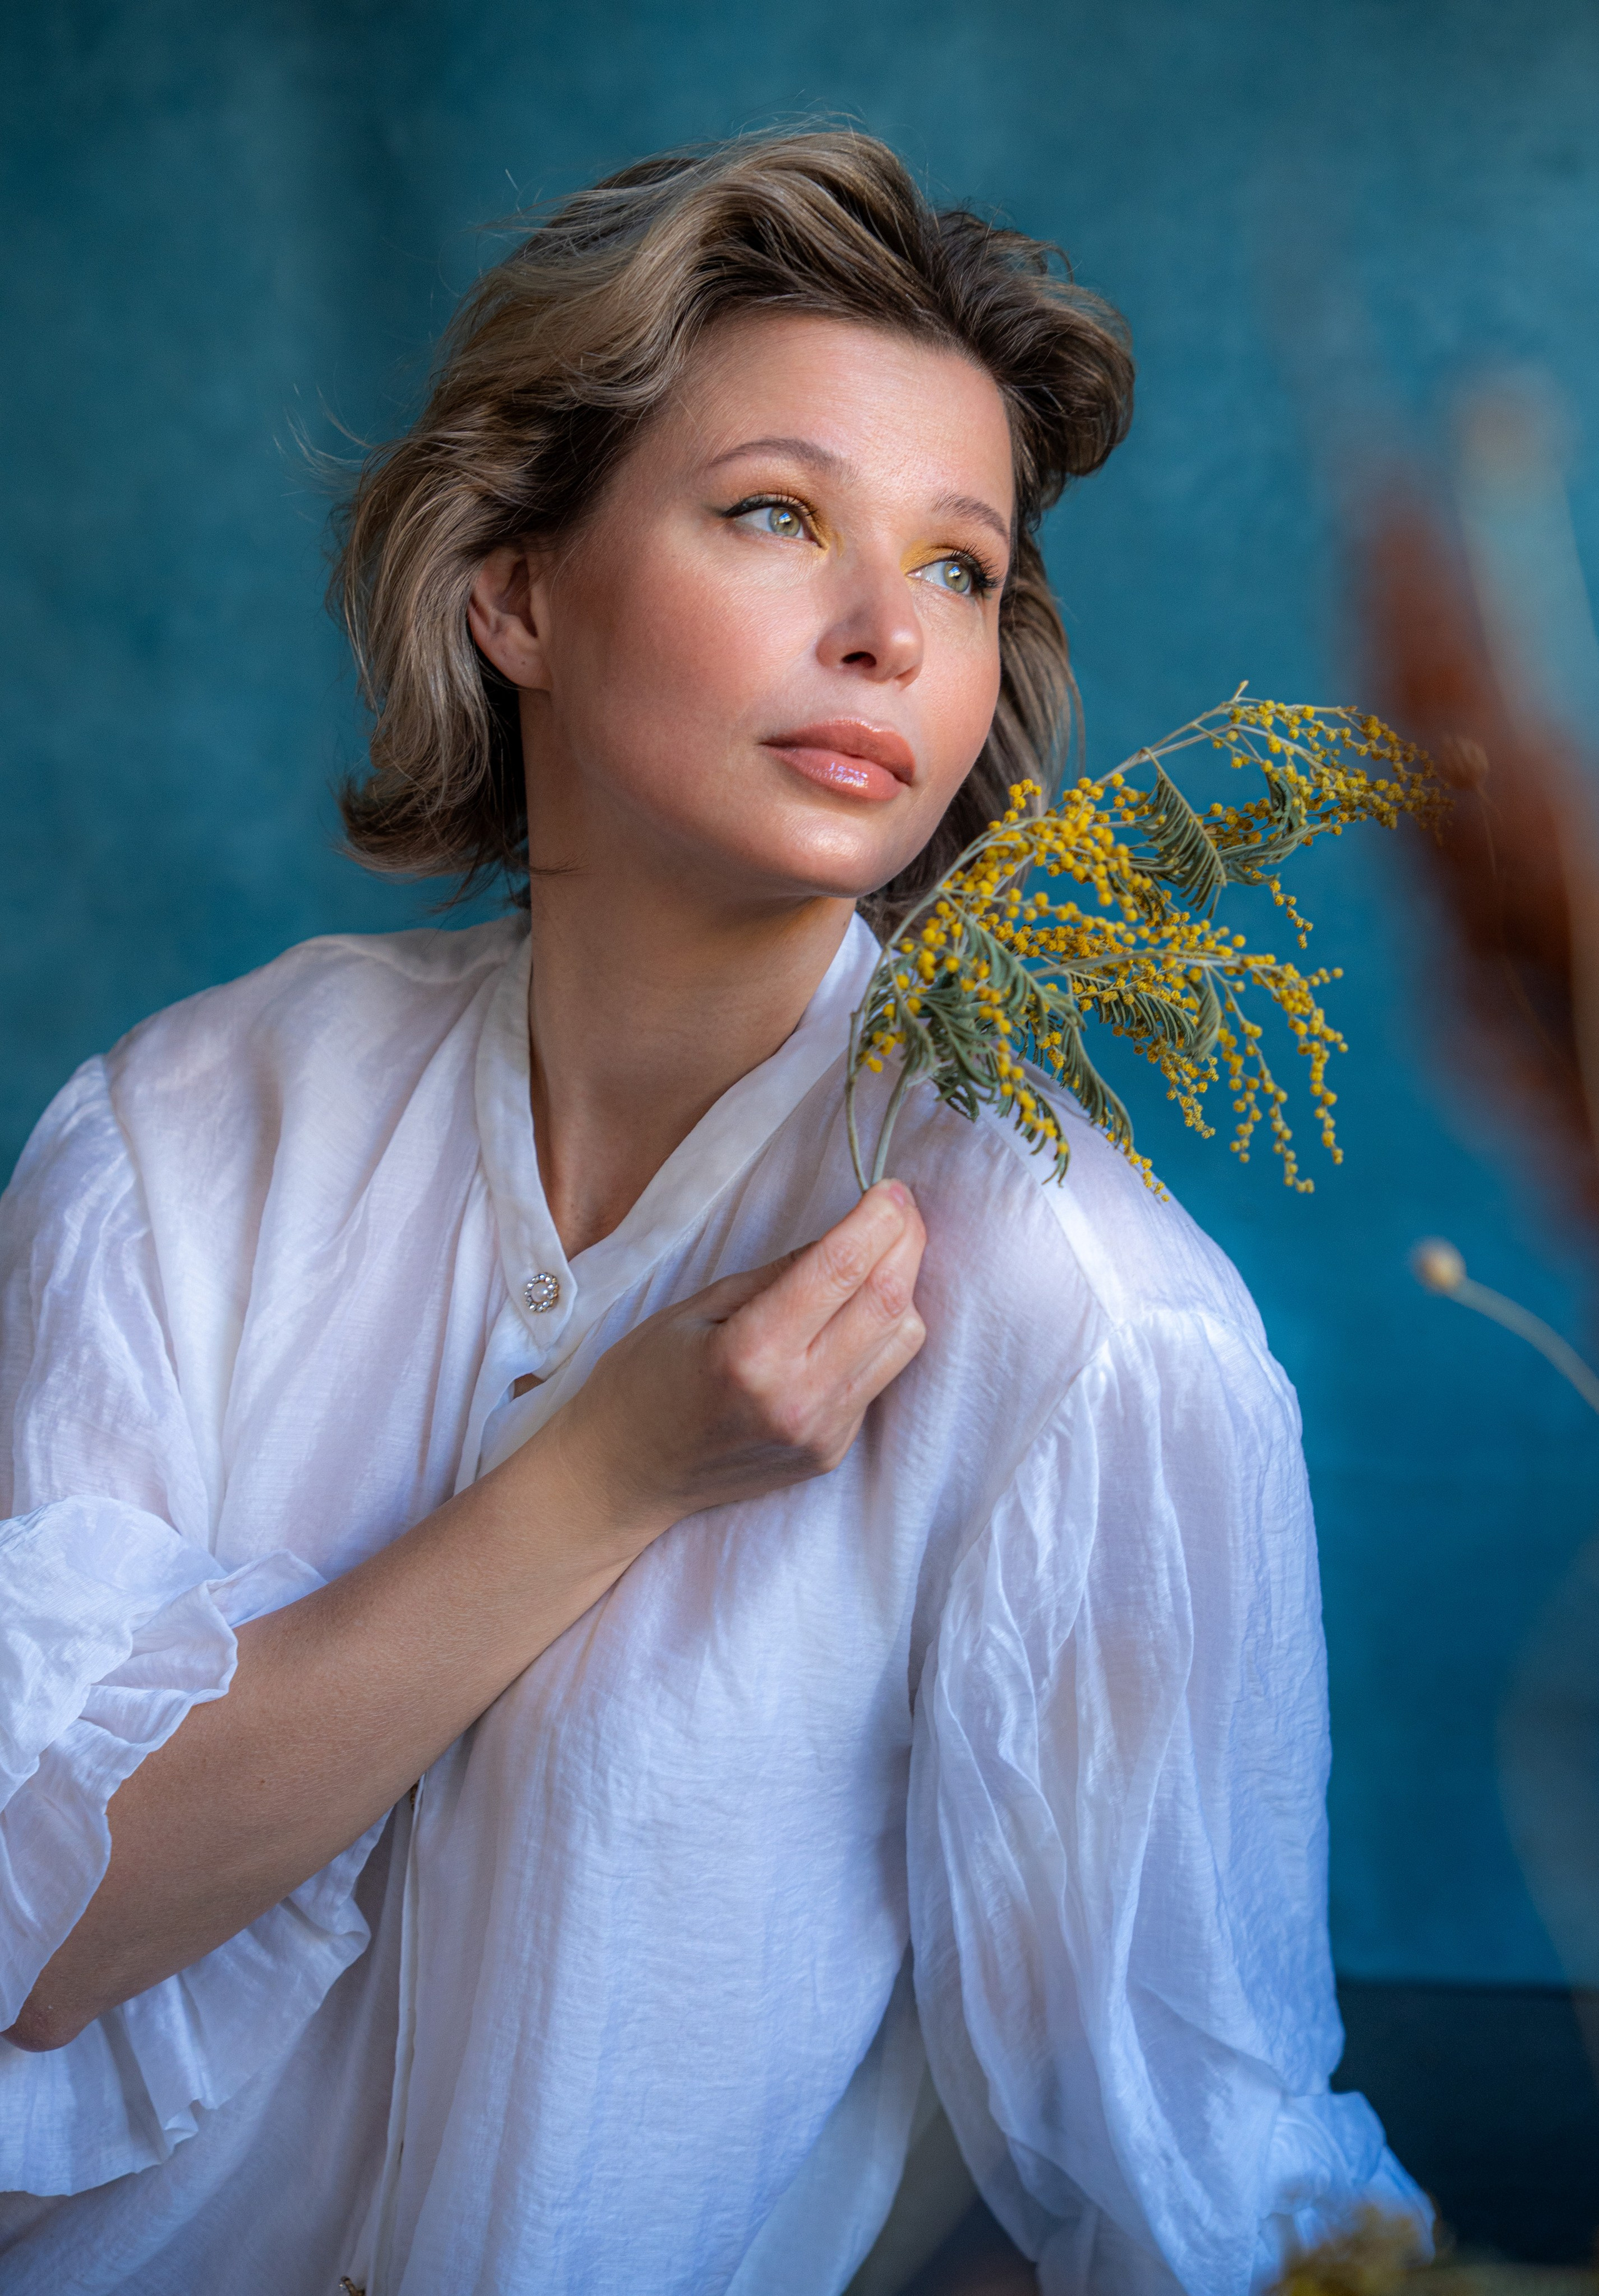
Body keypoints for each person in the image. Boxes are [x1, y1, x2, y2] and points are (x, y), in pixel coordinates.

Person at [0, 131, 1427, 2295]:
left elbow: (1195, 2171)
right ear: (517, 590)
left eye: (962, 568)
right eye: (778, 515)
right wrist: (612, 1472)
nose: (886, 636)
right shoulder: (189, 1138)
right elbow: (40, 1925)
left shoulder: (1084, 1324)